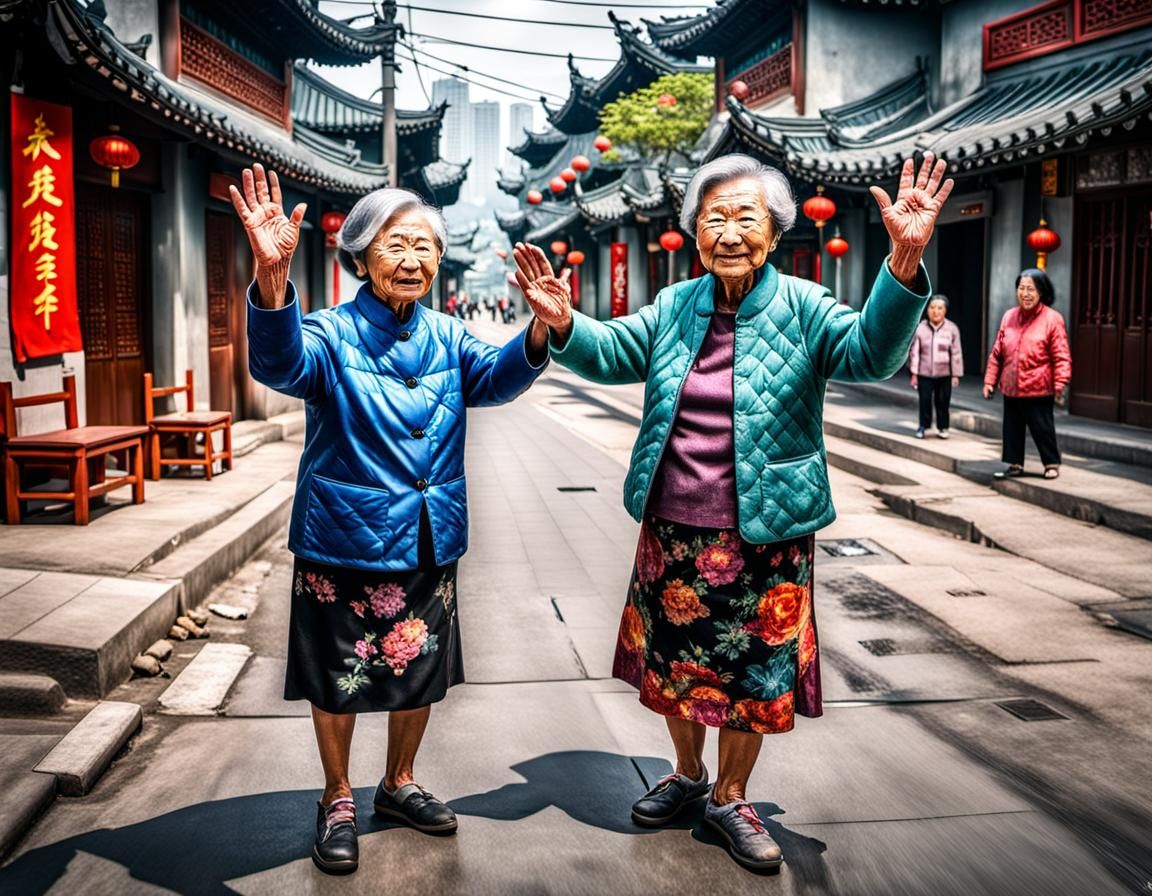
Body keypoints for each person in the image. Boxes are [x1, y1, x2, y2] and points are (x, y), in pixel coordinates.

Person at [515, 152, 951, 871]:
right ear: (692, 233)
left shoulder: (806, 307)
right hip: (674, 525)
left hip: (767, 530)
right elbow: (612, 351)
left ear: (775, 232)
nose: (728, 231)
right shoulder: (676, 306)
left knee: (751, 673)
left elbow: (872, 354)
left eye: (745, 217)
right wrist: (566, 323)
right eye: (713, 218)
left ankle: (730, 794)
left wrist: (903, 261)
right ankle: (687, 775)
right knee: (676, 666)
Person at [231, 163, 550, 875]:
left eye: (425, 247)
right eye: (395, 246)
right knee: (336, 673)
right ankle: (337, 797)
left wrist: (538, 332)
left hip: (427, 532)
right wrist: (272, 280)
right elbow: (280, 367)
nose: (412, 260)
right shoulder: (330, 333)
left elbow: (494, 380)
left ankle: (399, 782)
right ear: (363, 257)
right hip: (342, 536)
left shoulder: (449, 333)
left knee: (420, 669)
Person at [982, 268, 1071, 480]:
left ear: (1042, 292)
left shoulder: (1052, 319)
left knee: (1042, 427)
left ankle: (1051, 463)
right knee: (1012, 428)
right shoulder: (1008, 317)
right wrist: (989, 381)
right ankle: (1014, 464)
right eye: (1021, 288)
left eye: (1031, 289)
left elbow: (1061, 355)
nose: (1026, 293)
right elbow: (997, 353)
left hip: (1039, 386)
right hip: (1011, 385)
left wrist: (1060, 384)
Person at [909, 294, 963, 438]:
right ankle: (924, 426)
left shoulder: (952, 329)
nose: (936, 311)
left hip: (945, 373)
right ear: (927, 310)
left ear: (945, 310)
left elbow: (956, 352)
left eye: (940, 308)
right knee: (924, 401)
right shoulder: (920, 328)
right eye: (932, 307)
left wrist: (956, 374)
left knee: (943, 402)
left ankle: (943, 427)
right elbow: (915, 352)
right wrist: (914, 373)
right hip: (924, 373)